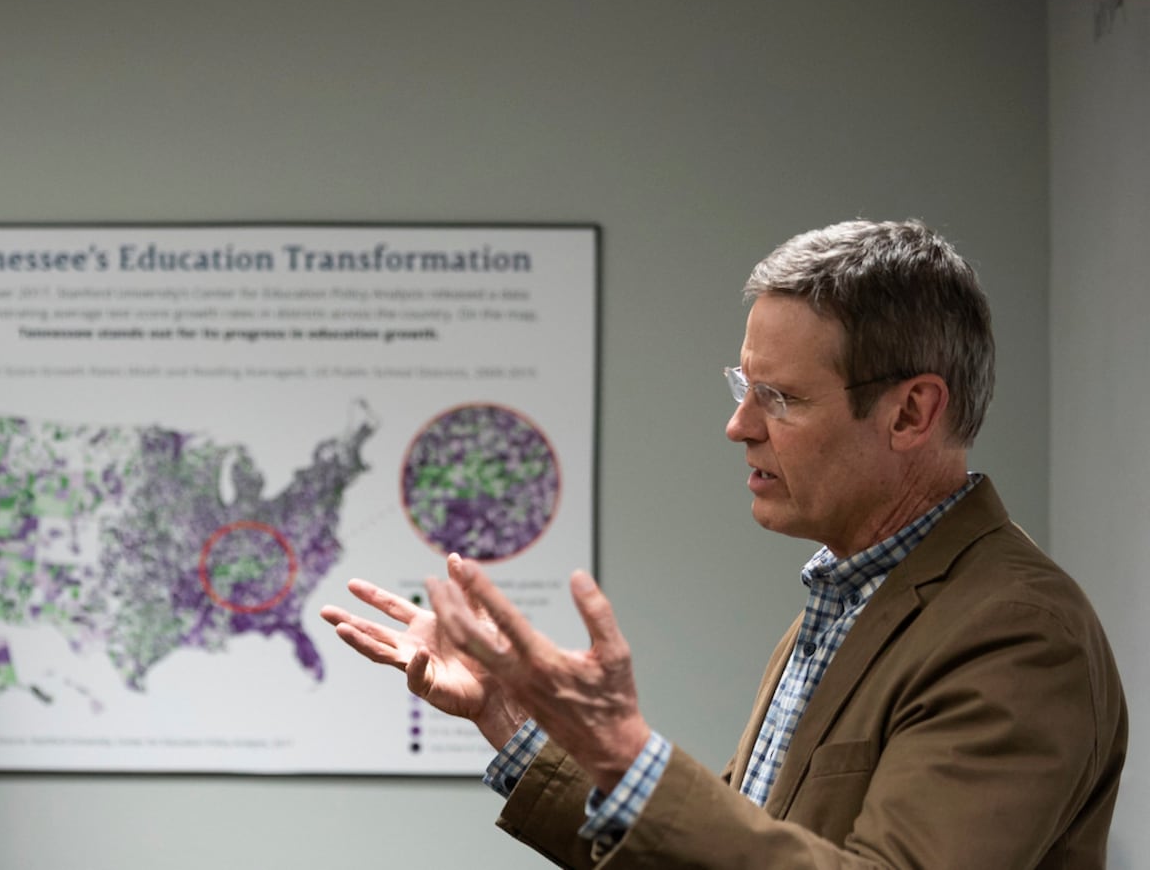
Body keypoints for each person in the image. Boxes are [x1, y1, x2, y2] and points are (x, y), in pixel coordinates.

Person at [322, 219, 1127, 868]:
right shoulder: (852, 598)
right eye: (745, 388)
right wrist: (510, 719)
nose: (739, 427)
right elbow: (733, 848)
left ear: (911, 413)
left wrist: (628, 753)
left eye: (778, 397)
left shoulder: (1018, 633)